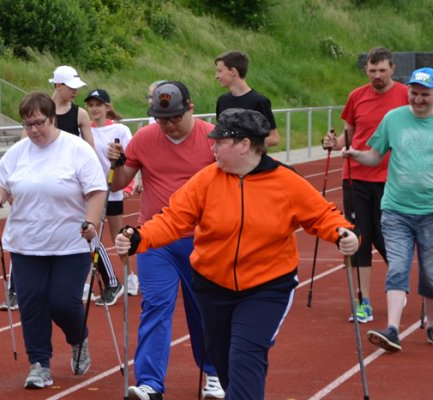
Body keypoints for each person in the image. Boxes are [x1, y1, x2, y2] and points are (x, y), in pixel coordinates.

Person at [116, 108, 358, 400]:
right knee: (225, 363)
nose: (212, 147)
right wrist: (139, 239)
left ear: (245, 144)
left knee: (246, 355)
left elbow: (323, 215)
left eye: (220, 142)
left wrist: (343, 233)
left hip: (267, 287)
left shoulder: (286, 182)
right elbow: (172, 220)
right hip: (212, 286)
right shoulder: (206, 180)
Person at [105, 81, 223, 400]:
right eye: (161, 118)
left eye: (173, 117)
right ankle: (150, 383)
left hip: (203, 240)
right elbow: (118, 184)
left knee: (204, 309)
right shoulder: (144, 138)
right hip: (155, 238)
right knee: (155, 306)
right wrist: (114, 164)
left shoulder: (213, 138)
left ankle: (214, 373)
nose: (168, 125)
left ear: (190, 108)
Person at [0, 92, 105, 389]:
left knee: (63, 302)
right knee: (32, 303)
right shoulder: (18, 152)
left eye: (39, 123)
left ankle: (78, 338)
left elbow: (96, 191)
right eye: (28, 125)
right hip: (26, 242)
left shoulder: (76, 149)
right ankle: (39, 363)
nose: (34, 130)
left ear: (53, 119)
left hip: (70, 242)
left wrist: (90, 221)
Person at [343, 67, 433, 352]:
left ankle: (432, 325)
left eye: (424, 95)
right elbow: (375, 155)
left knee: (431, 273)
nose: (418, 99)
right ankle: (392, 329)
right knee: (398, 268)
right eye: (414, 93)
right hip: (395, 210)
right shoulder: (393, 119)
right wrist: (358, 155)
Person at [322, 47, 408, 323]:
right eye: (372, 71)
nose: (377, 76)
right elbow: (350, 131)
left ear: (392, 69)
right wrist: (333, 143)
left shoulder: (406, 95)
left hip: (391, 179)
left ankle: (399, 286)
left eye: (382, 70)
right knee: (358, 238)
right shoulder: (357, 96)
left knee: (387, 240)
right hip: (355, 177)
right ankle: (363, 301)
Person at [85, 88, 132, 306]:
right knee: (90, 236)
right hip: (92, 192)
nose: (94, 109)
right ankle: (89, 283)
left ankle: (129, 276)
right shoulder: (84, 130)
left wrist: (129, 184)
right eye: (91, 105)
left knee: (117, 237)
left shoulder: (120, 130)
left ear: (107, 107)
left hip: (113, 190)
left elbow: (130, 159)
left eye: (98, 105)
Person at [215, 50, 281, 147]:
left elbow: (274, 138)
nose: (216, 76)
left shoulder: (259, 101)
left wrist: (246, 146)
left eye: (220, 71)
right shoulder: (222, 101)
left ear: (233, 72)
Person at [48, 65, 95, 148]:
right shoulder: (39, 111)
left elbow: (91, 150)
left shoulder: (81, 114)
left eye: (76, 88)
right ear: (58, 86)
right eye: (72, 87)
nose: (75, 92)